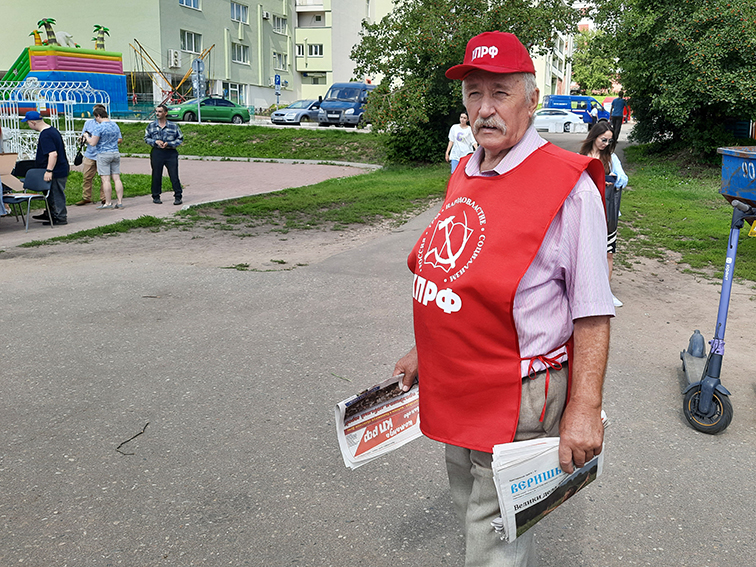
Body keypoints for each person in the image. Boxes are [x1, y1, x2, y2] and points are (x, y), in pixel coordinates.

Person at [392, 32, 614, 566]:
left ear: (532, 100)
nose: (485, 109)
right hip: (460, 379)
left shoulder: (569, 188)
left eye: (501, 93)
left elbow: (592, 311)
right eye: (474, 93)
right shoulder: (467, 171)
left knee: (494, 534)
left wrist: (584, 407)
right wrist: (426, 350)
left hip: (519, 393)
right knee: (471, 502)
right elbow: (456, 274)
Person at [579, 121, 628, 308]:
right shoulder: (580, 157)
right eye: (603, 140)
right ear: (594, 137)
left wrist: (613, 180)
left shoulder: (611, 158)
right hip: (587, 212)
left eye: (609, 141)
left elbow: (623, 179)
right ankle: (584, 291)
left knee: (608, 253)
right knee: (586, 253)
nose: (606, 144)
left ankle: (606, 293)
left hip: (608, 212)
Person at [24, 110, 69, 226]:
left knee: (55, 193)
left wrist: (49, 170)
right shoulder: (52, 130)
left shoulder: (45, 135)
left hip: (55, 170)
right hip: (59, 168)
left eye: (28, 123)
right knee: (52, 193)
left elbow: (53, 154)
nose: (28, 125)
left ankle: (59, 216)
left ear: (33, 122)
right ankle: (51, 213)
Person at [83, 107, 125, 209]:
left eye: (96, 117)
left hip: (103, 154)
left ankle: (108, 203)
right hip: (115, 152)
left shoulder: (99, 127)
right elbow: (119, 138)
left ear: (98, 116)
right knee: (117, 178)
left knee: (106, 180)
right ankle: (119, 202)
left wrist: (86, 137)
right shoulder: (115, 125)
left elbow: (93, 143)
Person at [144, 104, 184, 205]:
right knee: (156, 174)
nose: (157, 113)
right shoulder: (151, 126)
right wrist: (155, 142)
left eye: (160, 111)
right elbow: (146, 138)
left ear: (165, 113)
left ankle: (178, 196)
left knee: (174, 175)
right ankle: (156, 196)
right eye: (156, 111)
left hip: (170, 153)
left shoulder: (173, 126)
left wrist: (169, 144)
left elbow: (180, 138)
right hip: (157, 153)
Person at [75, 104, 107, 206]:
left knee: (104, 178)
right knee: (87, 177)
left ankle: (104, 198)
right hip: (90, 154)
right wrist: (83, 138)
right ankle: (86, 197)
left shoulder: (108, 124)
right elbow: (84, 134)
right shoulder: (88, 123)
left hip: (103, 154)